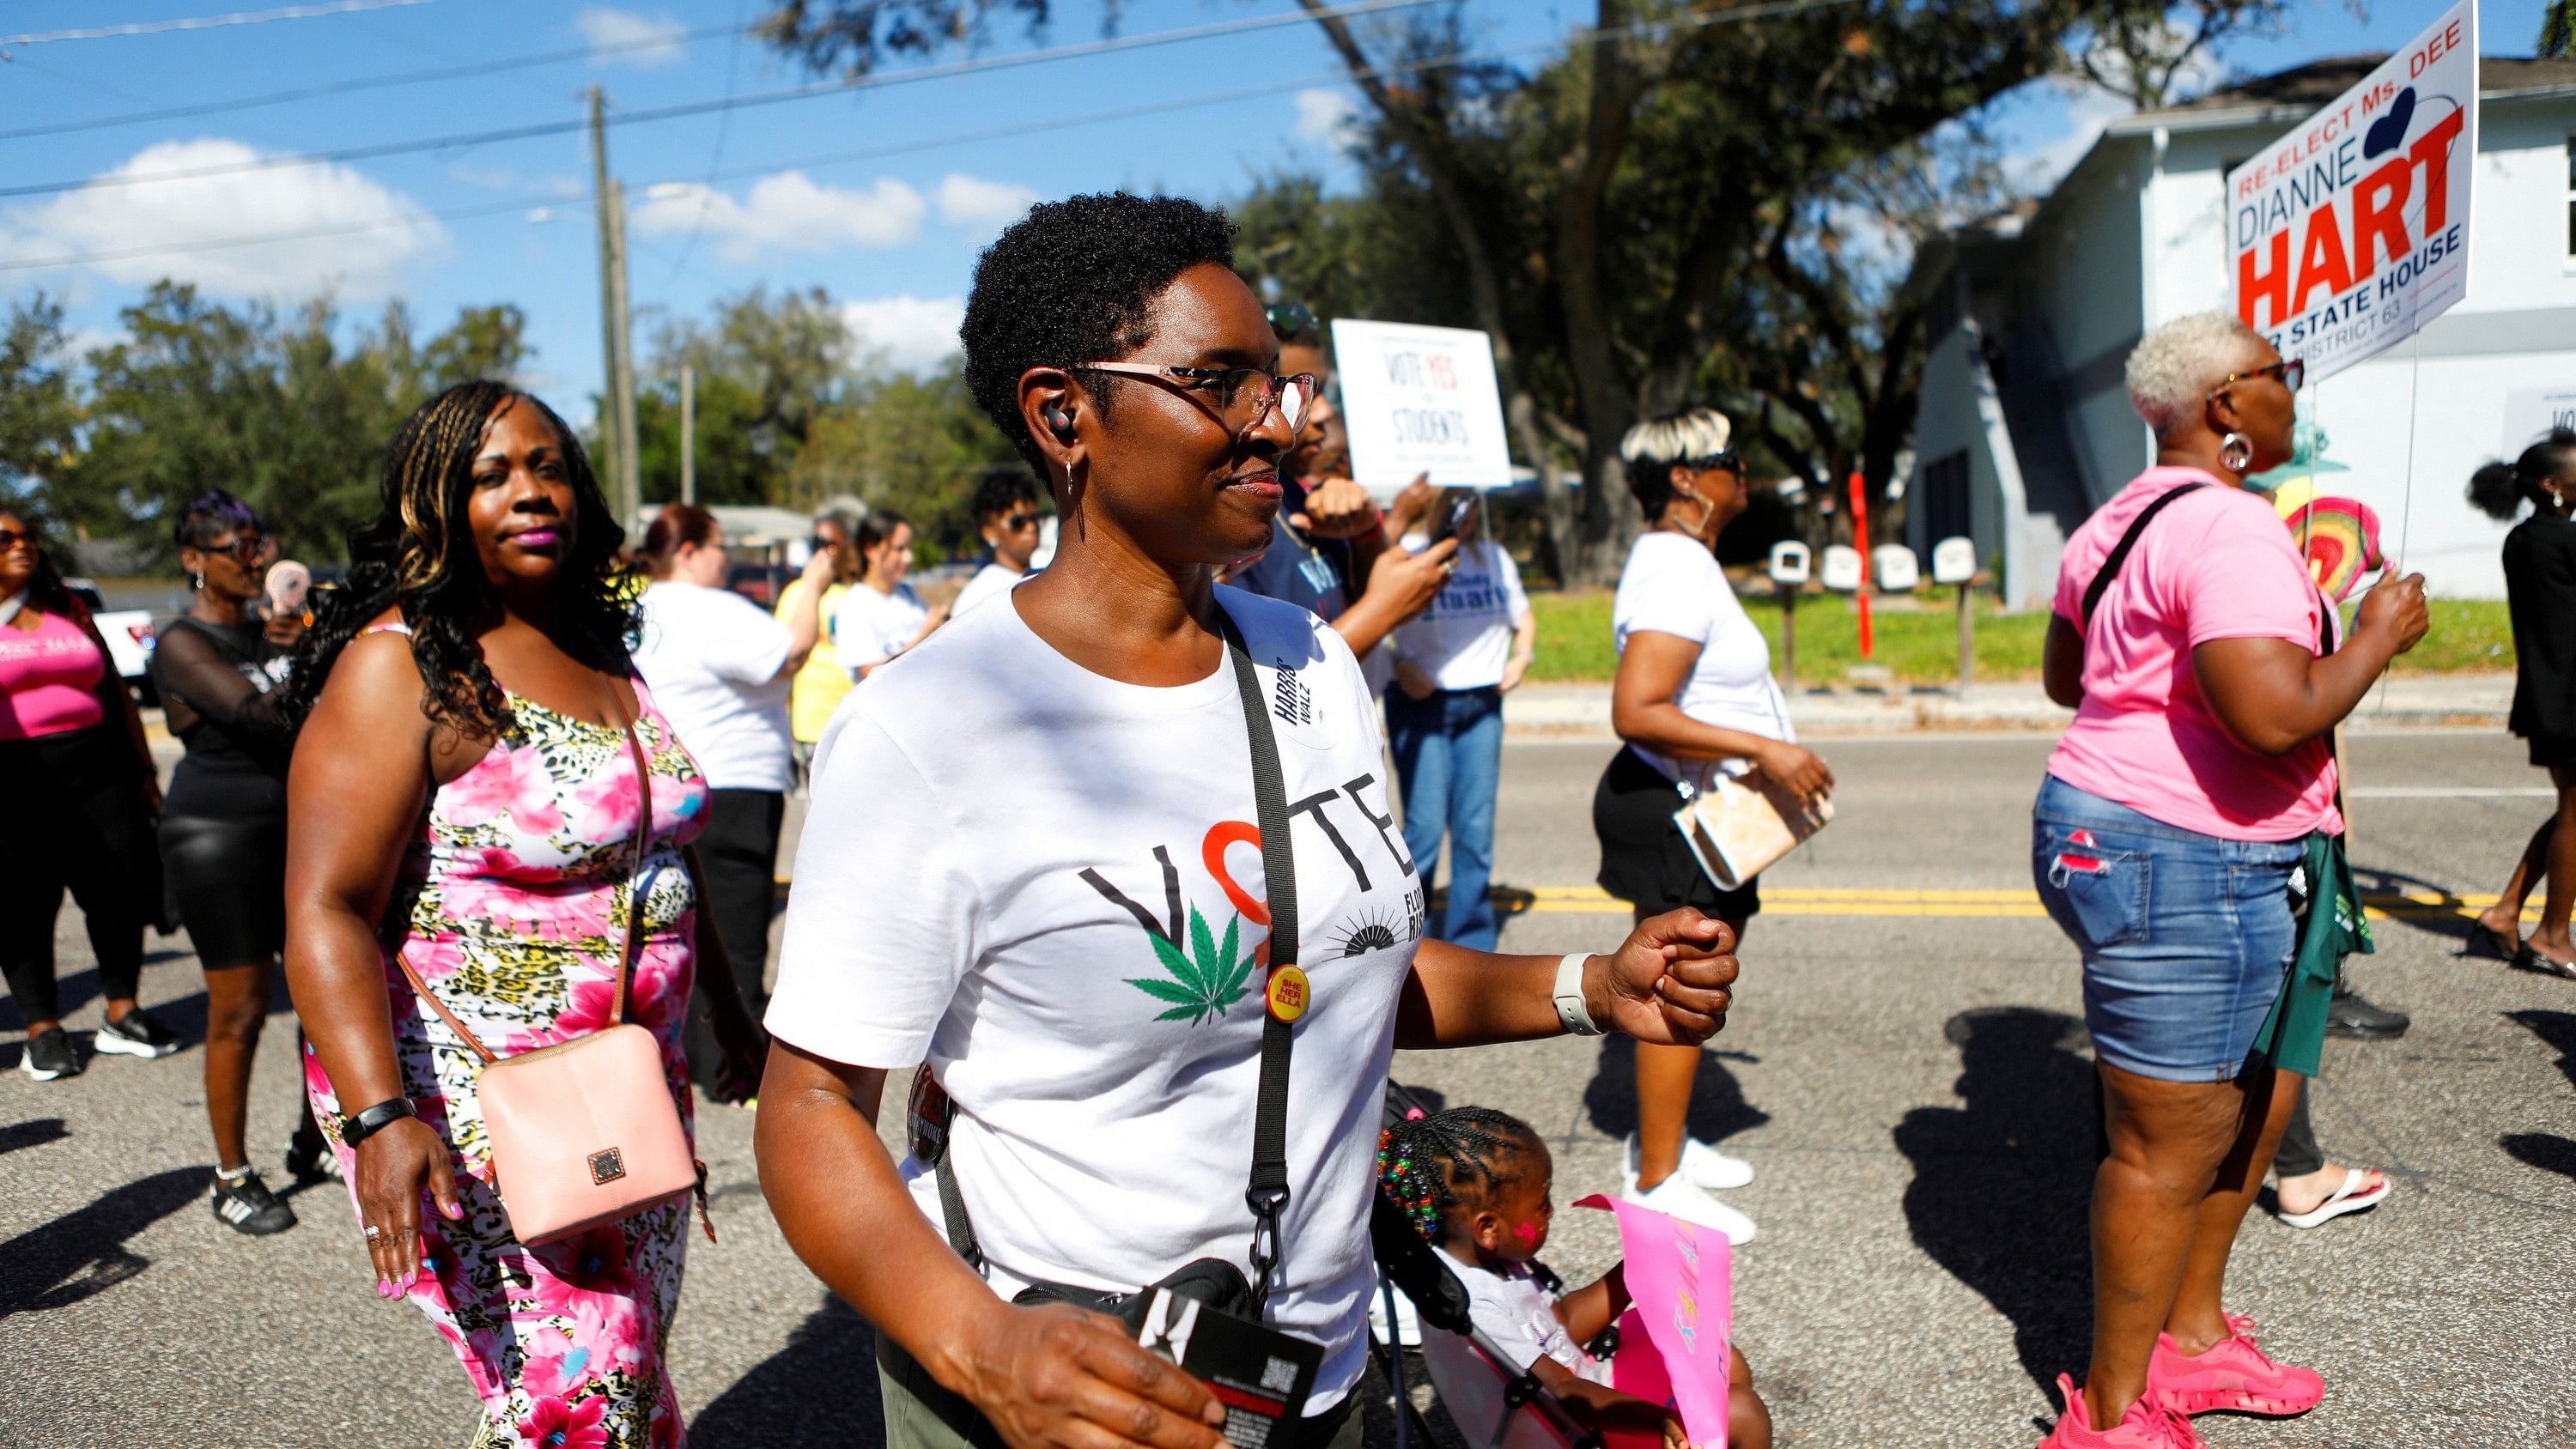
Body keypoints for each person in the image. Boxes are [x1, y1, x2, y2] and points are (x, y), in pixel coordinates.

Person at [752, 192, 1739, 1449]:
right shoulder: (927, 730)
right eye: (1219, 381)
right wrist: (985, 1348)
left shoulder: (1309, 666)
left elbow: (1338, 968)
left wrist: (1594, 986)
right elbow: (810, 1110)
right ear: (1066, 415)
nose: (1278, 422)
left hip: (1315, 1370)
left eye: (1276, 383)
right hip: (1063, 1393)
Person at [283, 381, 767, 1446]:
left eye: (548, 465)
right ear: (434, 503)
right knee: (581, 1383)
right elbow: (322, 906)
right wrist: (377, 1116)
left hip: (631, 1086)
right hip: (483, 1104)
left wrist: (731, 1012)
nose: (530, 490)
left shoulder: (602, 646)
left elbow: (659, 854)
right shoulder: (403, 664)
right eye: (490, 473)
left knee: (625, 1357)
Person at [2029, 312, 2427, 1448]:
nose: (2291, 393)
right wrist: (2373, 635)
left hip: (2175, 841)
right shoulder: (2232, 529)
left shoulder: (2109, 523)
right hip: (2181, 852)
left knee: (2258, 1099)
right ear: (2222, 407)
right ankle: (2110, 1419)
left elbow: (2074, 676)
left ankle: (2191, 1343)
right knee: (2164, 1146)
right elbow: (2270, 715)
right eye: (2276, 376)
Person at [1593, 408, 1832, 1245]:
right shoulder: (1673, 568)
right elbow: (1639, 707)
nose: (1745, 471)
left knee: (1691, 981)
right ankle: (1655, 1180)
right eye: (1729, 457)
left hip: (1703, 808)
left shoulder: (1687, 561)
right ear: (1686, 479)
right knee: (1680, 989)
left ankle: (1668, 1147)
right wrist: (1764, 746)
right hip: (1676, 811)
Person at [149, 489, 334, 1234]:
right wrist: (297, 652)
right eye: (237, 546)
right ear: (195, 560)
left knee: (325, 994)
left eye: (260, 540)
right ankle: (230, 1176)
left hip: (297, 828)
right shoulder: (181, 643)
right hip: (216, 837)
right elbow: (262, 716)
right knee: (241, 1011)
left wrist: (307, 641)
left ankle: (314, 1137)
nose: (255, 555)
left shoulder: (274, 630)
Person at [1378, 1106, 1771, 1449]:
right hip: (1578, 1424)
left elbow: (1559, 1326)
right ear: (1488, 1229)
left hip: (1592, 1384)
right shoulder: (1478, 1305)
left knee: (1725, 1363)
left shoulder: (1485, 1257)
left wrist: (1632, 1272)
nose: (1549, 1213)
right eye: (1542, 1203)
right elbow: (1564, 1390)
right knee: (1742, 1412)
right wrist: (1660, 1419)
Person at [634, 501, 834, 1100]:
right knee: (739, 934)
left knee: (683, 931)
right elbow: (789, 652)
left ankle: (697, 1059)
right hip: (736, 783)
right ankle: (734, 1069)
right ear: (689, 552)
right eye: (720, 546)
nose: (728, 558)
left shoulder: (640, 609)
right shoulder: (708, 608)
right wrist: (814, 585)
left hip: (668, 783)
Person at [0, 506, 171, 1082]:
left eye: (30, 536)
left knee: (117, 886)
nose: (23, 545)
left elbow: (116, 688)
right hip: (15, 778)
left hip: (102, 773)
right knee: (26, 901)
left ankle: (123, 1011)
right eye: (6, 538)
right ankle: (42, 1028)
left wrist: (144, 771)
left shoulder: (65, 606)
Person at [1231, 306, 1453, 656]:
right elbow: (1277, 679)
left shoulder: (1298, 501)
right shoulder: (1232, 519)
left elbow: (1359, 596)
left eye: (1317, 389)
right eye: (1296, 389)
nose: (1323, 412)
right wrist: (1383, 612)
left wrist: (1367, 534)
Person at [1388, 491, 1535, 950]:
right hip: (1424, 703)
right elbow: (1372, 617)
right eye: (1456, 507)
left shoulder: (1491, 556)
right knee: (1425, 831)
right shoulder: (1405, 553)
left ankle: (1472, 944)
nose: (1465, 518)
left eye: (1473, 509)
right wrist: (1397, 664)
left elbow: (1522, 616)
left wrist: (1523, 656)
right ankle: (1409, 941)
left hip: (1482, 703)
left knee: (1475, 830)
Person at [2467, 429, 2576, 979]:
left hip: (2550, 695)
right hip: (2570, 698)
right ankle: (2554, 937)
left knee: (2572, 812)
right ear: (2553, 485)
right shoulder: (2563, 541)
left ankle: (2505, 911)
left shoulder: (2525, 539)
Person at [778, 510, 860, 779]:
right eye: (817, 545)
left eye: (832, 545)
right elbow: (783, 660)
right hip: (811, 726)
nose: (823, 553)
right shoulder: (796, 594)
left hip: (853, 721)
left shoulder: (857, 595)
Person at [832, 510, 945, 679]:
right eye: (900, 549)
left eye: (909, 548)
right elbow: (869, 675)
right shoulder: (854, 606)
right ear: (871, 550)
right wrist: (925, 636)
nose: (909, 557)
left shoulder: (908, 593)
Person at [950, 467, 1045, 616]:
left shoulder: (1047, 578)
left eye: (1034, 519)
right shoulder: (977, 598)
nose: (1031, 527)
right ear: (989, 532)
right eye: (1018, 522)